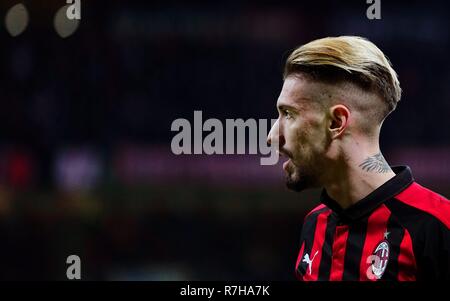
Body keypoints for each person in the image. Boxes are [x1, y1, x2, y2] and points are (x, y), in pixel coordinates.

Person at [266, 36, 450, 281]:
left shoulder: (437, 226)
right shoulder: (314, 225)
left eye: (288, 114)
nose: (271, 137)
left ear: (335, 123)